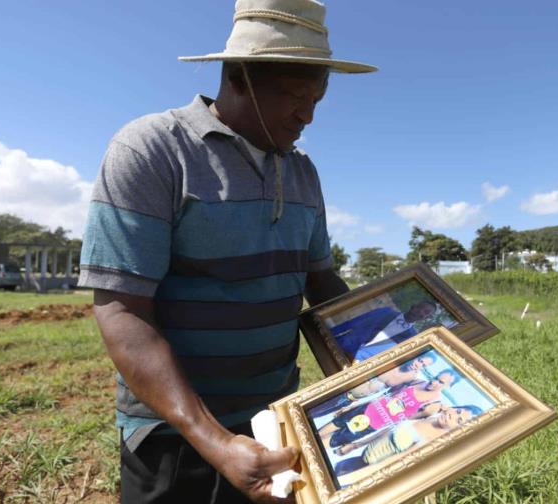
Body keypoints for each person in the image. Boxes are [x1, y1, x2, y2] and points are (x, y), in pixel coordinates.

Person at [78, 1, 376, 502]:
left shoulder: (302, 171)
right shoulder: (154, 150)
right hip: (174, 434)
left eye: (317, 100)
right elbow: (122, 310)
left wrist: (385, 362)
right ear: (238, 78)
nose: (307, 114)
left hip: (276, 423)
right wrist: (212, 438)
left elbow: (322, 286)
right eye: (293, 96)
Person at [331, 405, 483, 480]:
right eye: (457, 412)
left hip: (367, 472)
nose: (452, 416)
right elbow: (389, 429)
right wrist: (354, 445)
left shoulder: (433, 442)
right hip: (358, 459)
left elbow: (395, 463)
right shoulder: (430, 415)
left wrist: (353, 479)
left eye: (459, 420)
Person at [317, 371, 459, 446]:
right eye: (435, 377)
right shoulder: (418, 381)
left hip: (370, 425)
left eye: (440, 382)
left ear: (449, 387)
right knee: (324, 430)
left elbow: (400, 422)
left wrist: (362, 443)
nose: (434, 382)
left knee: (329, 442)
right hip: (365, 408)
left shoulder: (433, 405)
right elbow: (387, 392)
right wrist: (355, 404)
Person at [307, 354, 435, 418]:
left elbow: (387, 396)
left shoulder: (411, 378)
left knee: (312, 416)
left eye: (424, 365)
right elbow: (363, 356)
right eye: (420, 360)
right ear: (416, 355)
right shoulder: (394, 356)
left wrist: (351, 407)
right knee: (307, 406)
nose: (419, 365)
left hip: (348, 400)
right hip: (341, 389)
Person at [331, 301, 437, 361]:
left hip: (359, 364)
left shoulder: (411, 338)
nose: (421, 313)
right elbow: (353, 322)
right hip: (339, 346)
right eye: (420, 308)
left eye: (426, 313)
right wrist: (329, 335)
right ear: (414, 305)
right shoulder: (384, 312)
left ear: (425, 318)